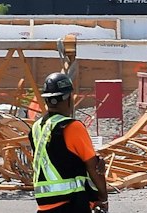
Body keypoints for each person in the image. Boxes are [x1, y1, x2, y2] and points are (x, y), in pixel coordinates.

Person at [30, 72, 105, 213]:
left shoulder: (36, 128)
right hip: (71, 204)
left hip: (44, 204)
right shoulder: (72, 127)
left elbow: (56, 157)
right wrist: (103, 197)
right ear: (69, 98)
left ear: (46, 100)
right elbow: (93, 167)